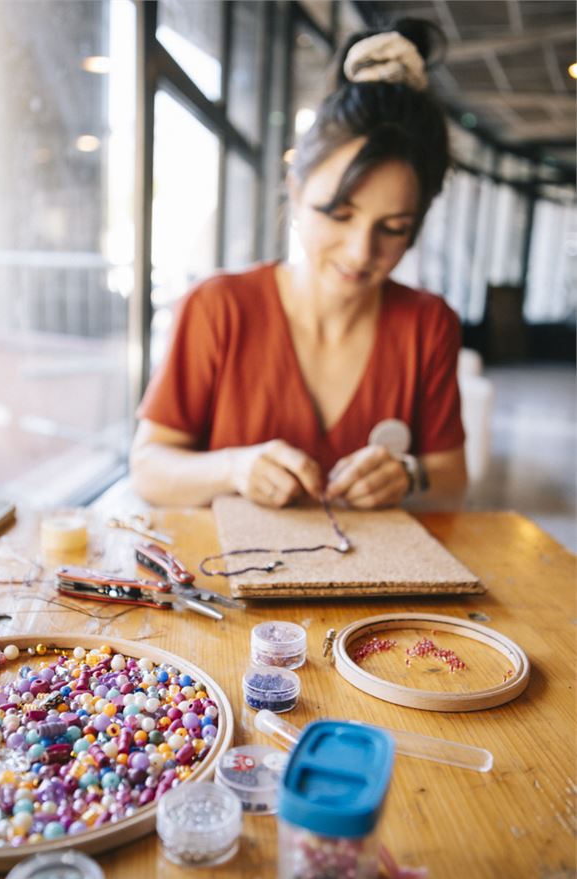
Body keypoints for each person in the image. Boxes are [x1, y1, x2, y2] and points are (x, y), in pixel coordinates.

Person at [131, 19, 467, 511]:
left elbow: (453, 482)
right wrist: (232, 467)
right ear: (295, 191)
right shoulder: (218, 307)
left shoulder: (428, 324)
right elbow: (149, 468)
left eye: (392, 227)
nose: (359, 251)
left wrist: (409, 474)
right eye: (338, 215)